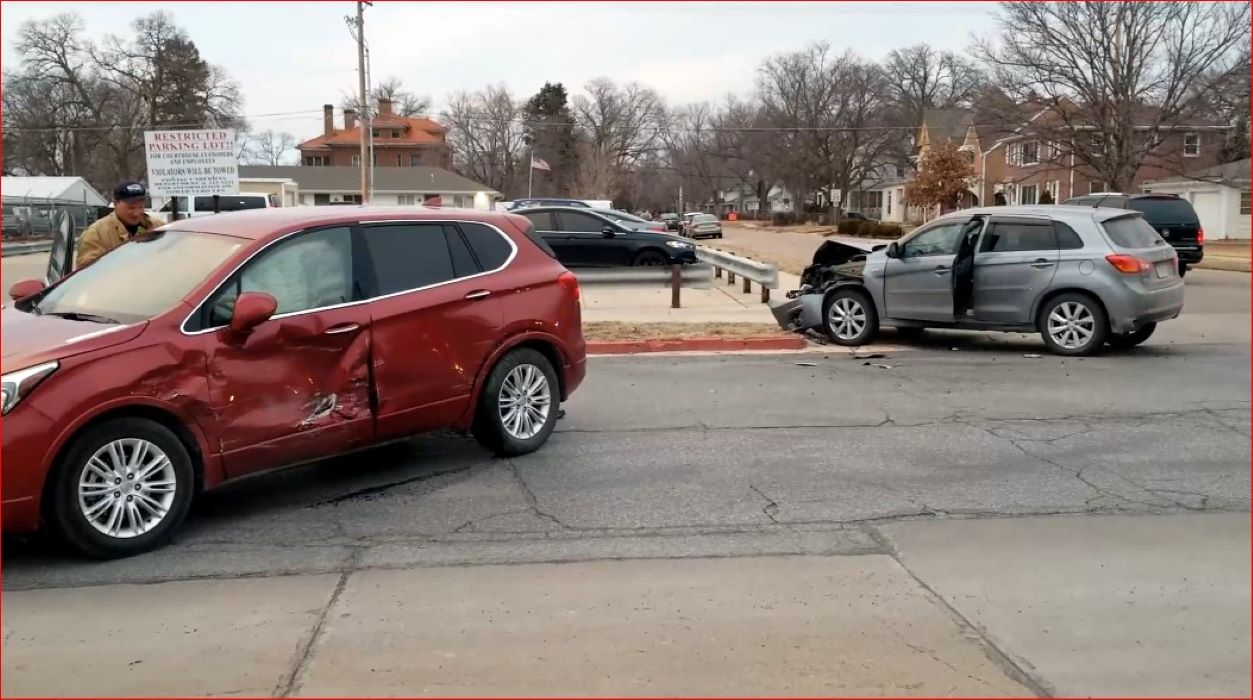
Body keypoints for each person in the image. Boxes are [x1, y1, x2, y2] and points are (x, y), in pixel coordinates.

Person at [74, 181, 165, 269]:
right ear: (115, 204)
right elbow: (88, 274)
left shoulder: (158, 226)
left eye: (141, 207)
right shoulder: (96, 233)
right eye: (131, 208)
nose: (136, 213)